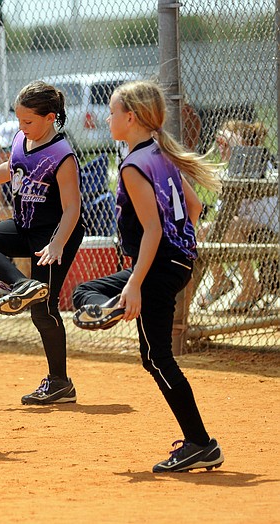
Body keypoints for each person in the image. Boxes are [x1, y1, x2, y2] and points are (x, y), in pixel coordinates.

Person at [71, 80, 224, 473]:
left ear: (131, 117)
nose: (107, 118)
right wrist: (180, 248)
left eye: (112, 112)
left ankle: (200, 443)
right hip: (173, 261)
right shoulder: (159, 152)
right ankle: (108, 307)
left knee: (157, 358)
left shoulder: (134, 164)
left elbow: (153, 230)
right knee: (86, 291)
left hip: (157, 265)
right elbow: (193, 207)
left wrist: (136, 284)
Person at [0, 81, 84, 405]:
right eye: (19, 121)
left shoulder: (61, 153)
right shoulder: (21, 139)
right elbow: (11, 167)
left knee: (44, 311)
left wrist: (57, 244)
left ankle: (60, 382)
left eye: (28, 122)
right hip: (24, 226)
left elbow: (73, 207)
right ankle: (20, 284)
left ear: (50, 117)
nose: (22, 127)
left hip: (55, 235)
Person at [199, 119, 275, 311]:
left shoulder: (260, 163)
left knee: (231, 227)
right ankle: (220, 281)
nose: (222, 148)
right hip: (241, 225)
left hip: (268, 224)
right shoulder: (230, 169)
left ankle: (251, 286)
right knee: (202, 232)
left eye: (227, 144)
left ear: (245, 144)